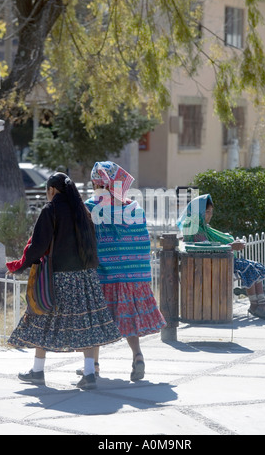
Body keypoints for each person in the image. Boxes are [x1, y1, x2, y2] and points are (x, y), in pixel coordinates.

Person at [7, 173, 121, 389]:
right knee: (86, 323)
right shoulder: (83, 212)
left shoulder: (51, 210)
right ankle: (89, 374)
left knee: (42, 318)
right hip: (85, 277)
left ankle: (38, 371)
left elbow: (39, 245)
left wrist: (20, 266)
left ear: (51, 190)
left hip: (58, 276)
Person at [78, 161, 166, 381]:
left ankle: (94, 365)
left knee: (95, 320)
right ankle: (137, 356)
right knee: (130, 318)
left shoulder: (90, 208)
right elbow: (142, 239)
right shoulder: (134, 209)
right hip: (131, 276)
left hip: (102, 276)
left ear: (98, 182)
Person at [177, 194, 265, 320]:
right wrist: (231, 246)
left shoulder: (201, 226)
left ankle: (260, 304)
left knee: (255, 266)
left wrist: (231, 245)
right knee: (249, 267)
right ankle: (257, 305)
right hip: (210, 264)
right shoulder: (194, 228)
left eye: (211, 212)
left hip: (218, 260)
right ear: (197, 212)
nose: (210, 215)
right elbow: (205, 248)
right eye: (206, 212)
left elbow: (211, 244)